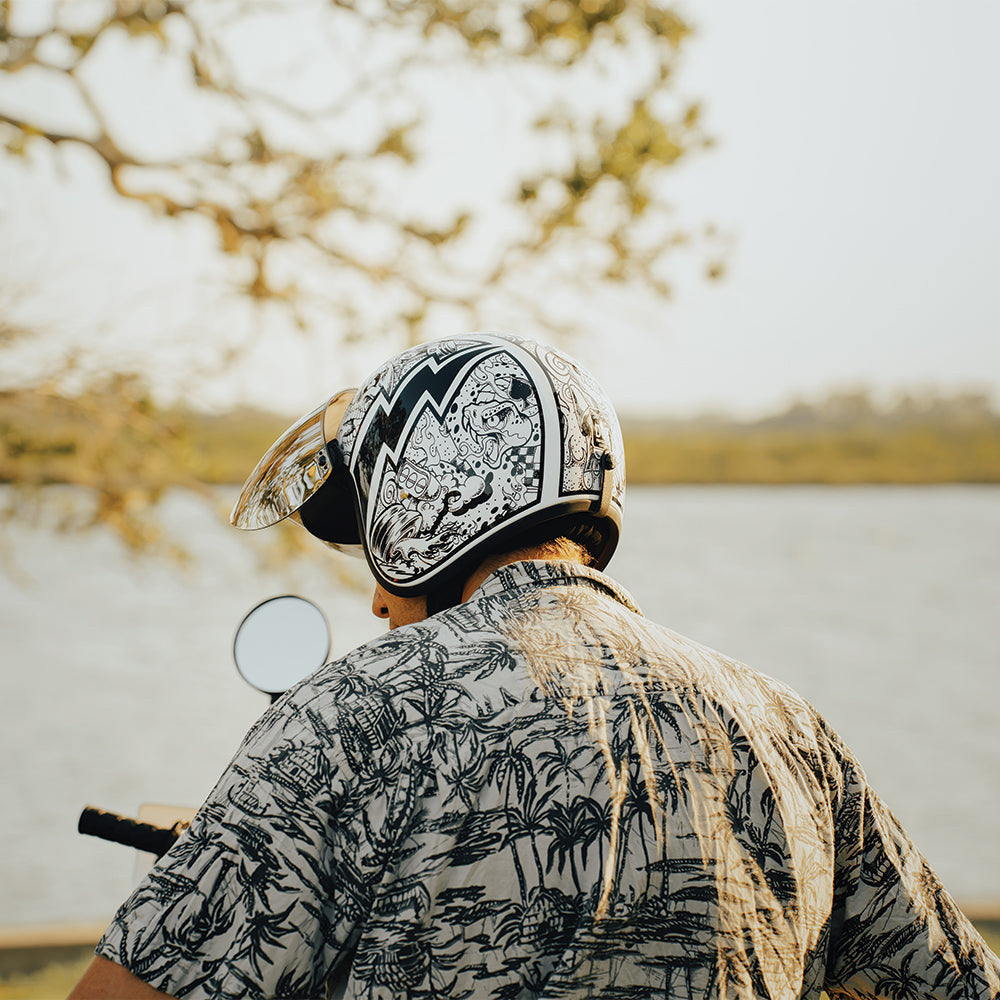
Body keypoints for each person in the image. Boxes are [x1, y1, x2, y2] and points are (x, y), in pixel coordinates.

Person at [70, 333, 999, 999]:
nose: (376, 601)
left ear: (423, 512)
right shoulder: (789, 728)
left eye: (371, 555)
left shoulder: (348, 714)